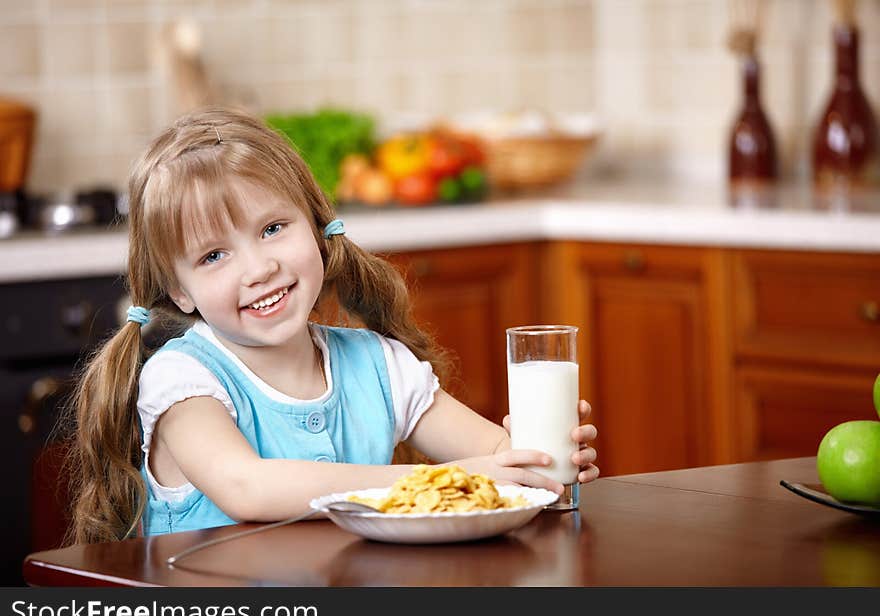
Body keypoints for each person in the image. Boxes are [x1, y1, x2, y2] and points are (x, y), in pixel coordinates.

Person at [64, 107, 599, 544]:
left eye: (273, 228)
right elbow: (247, 487)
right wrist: (440, 483)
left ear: (318, 228)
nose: (259, 268)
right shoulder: (181, 380)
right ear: (179, 291)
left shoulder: (377, 365)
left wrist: (540, 462)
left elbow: (498, 460)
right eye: (213, 256)